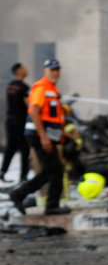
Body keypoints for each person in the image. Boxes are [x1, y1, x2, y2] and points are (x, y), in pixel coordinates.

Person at [7, 59, 71, 215]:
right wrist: (44, 138)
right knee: (55, 170)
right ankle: (46, 204)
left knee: (52, 170)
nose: (55, 72)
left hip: (44, 136)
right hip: (39, 136)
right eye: (52, 70)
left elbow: (48, 112)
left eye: (57, 69)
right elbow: (34, 111)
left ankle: (27, 197)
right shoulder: (41, 88)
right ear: (45, 71)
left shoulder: (51, 89)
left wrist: (61, 110)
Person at [1, 63, 30, 183]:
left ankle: (3, 172)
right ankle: (23, 177)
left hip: (9, 119)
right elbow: (28, 104)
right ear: (18, 71)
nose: (26, 69)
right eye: (23, 68)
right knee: (25, 148)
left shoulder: (10, 85)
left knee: (11, 147)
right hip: (20, 120)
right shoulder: (24, 87)